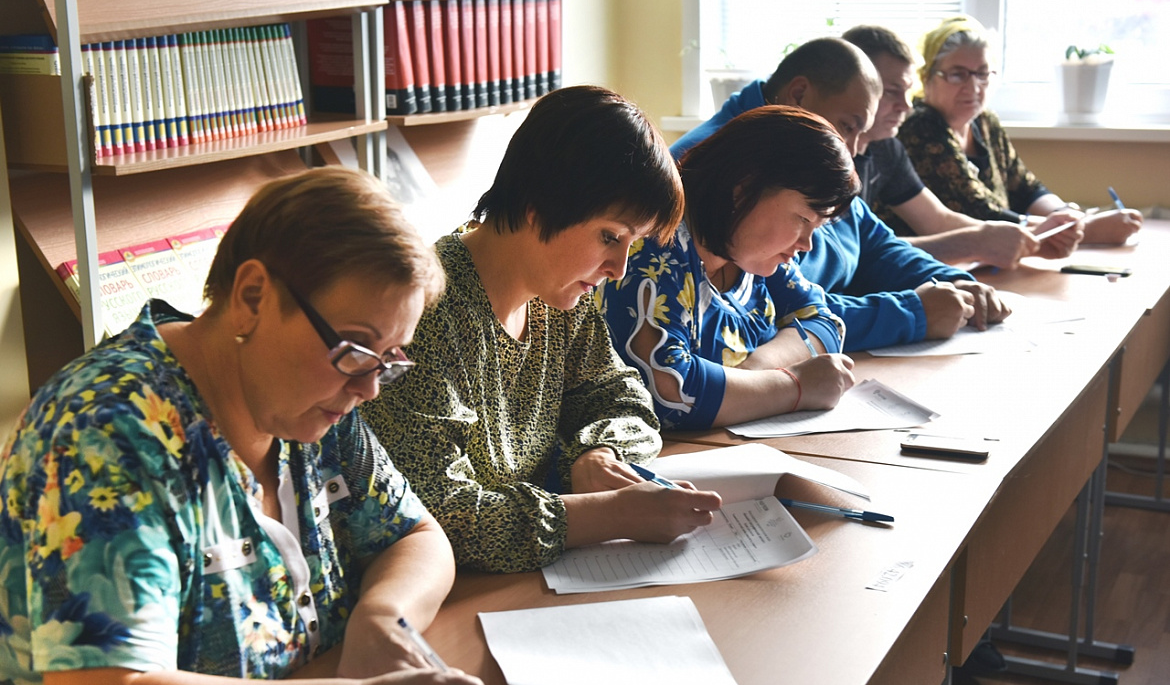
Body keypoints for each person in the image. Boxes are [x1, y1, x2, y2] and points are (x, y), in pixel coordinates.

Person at [0, 167, 487, 685]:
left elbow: (417, 536)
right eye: (357, 349)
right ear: (253, 297)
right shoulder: (107, 433)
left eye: (388, 360)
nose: (370, 388)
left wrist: (382, 617)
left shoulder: (313, 400)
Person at [360, 86, 722, 575]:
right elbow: (439, 516)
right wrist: (608, 515)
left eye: (630, 243)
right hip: (451, 596)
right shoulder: (422, 314)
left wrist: (595, 453)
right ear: (541, 205)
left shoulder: (560, 299)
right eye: (609, 237)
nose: (618, 268)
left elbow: (623, 397)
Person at [673, 37, 1011, 352]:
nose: (852, 152)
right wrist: (912, 314)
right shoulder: (717, 168)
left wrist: (949, 283)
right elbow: (771, 311)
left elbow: (873, 242)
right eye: (848, 126)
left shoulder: (814, 154)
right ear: (800, 95)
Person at [601, 105, 857, 431]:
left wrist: (755, 374)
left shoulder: (754, 255)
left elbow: (825, 323)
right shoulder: (651, 249)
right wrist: (795, 387)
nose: (807, 243)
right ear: (744, 187)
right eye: (804, 219)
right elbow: (671, 393)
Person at [899, 15, 1143, 249]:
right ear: (927, 76)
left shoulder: (985, 121)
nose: (973, 87)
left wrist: (1063, 215)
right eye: (957, 74)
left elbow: (1027, 188)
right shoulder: (920, 127)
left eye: (982, 73)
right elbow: (977, 212)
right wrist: (1086, 230)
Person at [840, 24, 1047, 269]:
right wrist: (977, 243)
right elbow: (853, 253)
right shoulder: (824, 154)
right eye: (892, 91)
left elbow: (937, 220)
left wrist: (1025, 233)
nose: (906, 106)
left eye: (906, 91)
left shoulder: (887, 147)